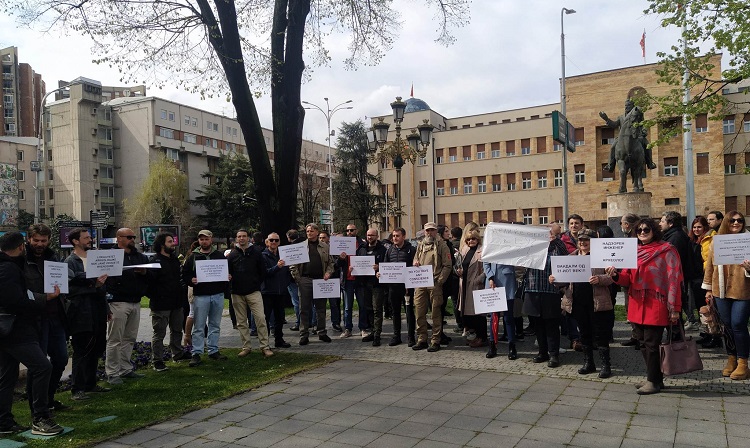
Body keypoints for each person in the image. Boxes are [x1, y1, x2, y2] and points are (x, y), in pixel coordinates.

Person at [606, 218, 683, 394]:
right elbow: (627, 279)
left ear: (654, 231)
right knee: (642, 343)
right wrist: (615, 274)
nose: (642, 232)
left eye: (646, 229)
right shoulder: (632, 252)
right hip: (636, 303)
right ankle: (654, 378)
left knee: (652, 344)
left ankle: (653, 382)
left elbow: (674, 280)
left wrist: (675, 308)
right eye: (639, 230)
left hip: (657, 303)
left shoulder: (667, 250)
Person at [0, 231, 64, 435]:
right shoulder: (9, 268)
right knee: (42, 367)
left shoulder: (7, 266)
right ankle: (40, 418)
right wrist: (41, 300)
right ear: (21, 246)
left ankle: (4, 422)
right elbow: (14, 301)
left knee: (7, 376)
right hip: (16, 330)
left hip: (6, 329)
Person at [551, 229, 615, 378]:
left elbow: (612, 277)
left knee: (600, 335)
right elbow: (563, 281)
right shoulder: (570, 257)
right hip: (578, 302)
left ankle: (605, 365)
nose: (583, 242)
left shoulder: (602, 256)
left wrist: (600, 279)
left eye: (586, 240)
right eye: (580, 240)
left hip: (597, 302)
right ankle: (589, 363)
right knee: (584, 333)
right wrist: (554, 280)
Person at [23, 224, 69, 411]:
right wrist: (44, 297)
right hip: (35, 318)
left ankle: (48, 399)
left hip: (55, 316)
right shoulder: (22, 260)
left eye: (43, 240)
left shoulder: (53, 257)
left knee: (61, 359)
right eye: (36, 240)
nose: (40, 244)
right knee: (38, 364)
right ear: (29, 239)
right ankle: (36, 406)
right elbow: (20, 292)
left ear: (49, 240)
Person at [702, 211, 750, 380]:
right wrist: (708, 288)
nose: (736, 223)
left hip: (742, 290)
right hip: (720, 290)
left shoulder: (748, 241)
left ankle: (743, 362)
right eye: (732, 220)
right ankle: (731, 359)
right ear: (726, 222)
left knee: (738, 324)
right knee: (727, 326)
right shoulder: (717, 242)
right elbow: (709, 266)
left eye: (740, 220)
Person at [65, 229, 110, 401]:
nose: (90, 240)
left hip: (97, 309)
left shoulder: (95, 259)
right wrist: (92, 286)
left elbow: (101, 287)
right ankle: (77, 388)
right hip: (81, 311)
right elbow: (69, 288)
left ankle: (91, 383)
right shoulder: (70, 262)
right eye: (86, 238)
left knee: (97, 346)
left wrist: (106, 308)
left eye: (90, 237)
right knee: (82, 348)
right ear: (76, 241)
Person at [105, 228, 152, 384]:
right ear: (119, 238)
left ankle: (125, 368)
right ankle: (112, 372)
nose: (132, 239)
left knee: (130, 338)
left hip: (135, 301)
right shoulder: (110, 256)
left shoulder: (140, 256)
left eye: (133, 237)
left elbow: (151, 276)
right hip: (118, 301)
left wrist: (144, 273)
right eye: (129, 237)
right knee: (115, 339)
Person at [182, 229, 231, 366]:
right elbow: (184, 274)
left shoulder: (219, 255)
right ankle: (196, 353)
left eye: (206, 239)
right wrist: (191, 280)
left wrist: (227, 277)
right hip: (201, 295)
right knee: (199, 326)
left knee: (215, 324)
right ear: (199, 240)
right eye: (201, 239)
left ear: (211, 239)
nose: (204, 241)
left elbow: (226, 271)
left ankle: (213, 350)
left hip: (217, 294)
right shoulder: (193, 257)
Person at [522, 227, 568, 368]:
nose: (547, 236)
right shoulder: (531, 247)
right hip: (533, 289)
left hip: (550, 291)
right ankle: (542, 352)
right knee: (538, 324)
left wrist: (555, 240)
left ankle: (554, 354)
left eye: (550, 234)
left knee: (551, 324)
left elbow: (566, 260)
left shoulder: (557, 247)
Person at [227, 229, 273, 358]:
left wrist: (256, 283)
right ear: (236, 239)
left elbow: (262, 271)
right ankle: (246, 347)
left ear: (248, 238)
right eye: (239, 236)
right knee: (241, 322)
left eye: (244, 236)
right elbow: (227, 272)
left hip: (253, 291)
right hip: (237, 292)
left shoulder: (256, 253)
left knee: (261, 319)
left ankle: (265, 346)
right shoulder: (232, 255)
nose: (242, 238)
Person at [148, 232, 189, 372]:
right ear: (162, 244)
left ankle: (177, 353)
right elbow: (150, 282)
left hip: (176, 302)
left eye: (173, 241)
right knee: (159, 333)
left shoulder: (174, 259)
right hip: (161, 303)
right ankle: (157, 360)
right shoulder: (155, 261)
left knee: (177, 330)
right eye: (170, 242)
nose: (173, 244)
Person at [289, 223, 335, 345]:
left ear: (317, 232)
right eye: (307, 231)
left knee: (321, 308)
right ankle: (304, 334)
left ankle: (322, 332)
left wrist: (328, 273)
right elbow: (293, 264)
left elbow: (331, 263)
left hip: (321, 280)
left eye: (311, 231)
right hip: (305, 279)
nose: (309, 233)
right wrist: (298, 278)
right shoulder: (300, 246)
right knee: (304, 308)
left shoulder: (325, 246)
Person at [412, 222, 453, 352]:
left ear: (436, 231)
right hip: (420, 282)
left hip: (435, 282)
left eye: (432, 230)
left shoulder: (442, 245)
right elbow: (415, 260)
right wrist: (415, 263)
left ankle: (435, 340)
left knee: (435, 313)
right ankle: (422, 339)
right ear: (424, 232)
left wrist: (440, 281)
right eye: (427, 231)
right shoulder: (420, 245)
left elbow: (448, 265)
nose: (429, 233)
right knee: (419, 312)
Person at [381, 227, 416, 346]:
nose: (395, 238)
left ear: (403, 237)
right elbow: (385, 265)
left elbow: (415, 267)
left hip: (407, 288)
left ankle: (411, 337)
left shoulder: (411, 250)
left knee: (409, 312)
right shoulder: (389, 250)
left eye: (397, 236)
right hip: (393, 287)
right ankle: (396, 336)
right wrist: (381, 273)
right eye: (393, 236)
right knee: (395, 312)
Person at [353, 229, 387, 346]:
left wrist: (379, 267)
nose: (370, 237)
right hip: (364, 283)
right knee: (368, 308)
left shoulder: (382, 249)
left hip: (377, 284)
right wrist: (353, 268)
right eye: (368, 235)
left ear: (377, 236)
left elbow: (387, 264)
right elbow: (356, 262)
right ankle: (372, 330)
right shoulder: (361, 249)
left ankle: (377, 334)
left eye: (372, 235)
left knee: (377, 309)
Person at [261, 233, 292, 349]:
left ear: (279, 242)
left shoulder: (283, 255)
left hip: (281, 291)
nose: (273, 242)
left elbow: (288, 271)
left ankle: (279, 340)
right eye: (271, 240)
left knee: (280, 317)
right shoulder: (262, 256)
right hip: (268, 292)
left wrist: (286, 282)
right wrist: (277, 267)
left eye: (276, 240)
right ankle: (265, 342)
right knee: (266, 317)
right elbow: (264, 273)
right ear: (267, 242)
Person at [456, 230, 486, 348]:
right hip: (464, 285)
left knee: (478, 314)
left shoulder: (482, 250)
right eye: (468, 239)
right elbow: (459, 265)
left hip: (476, 286)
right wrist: (458, 271)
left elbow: (486, 269)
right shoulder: (465, 250)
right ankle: (473, 336)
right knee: (468, 313)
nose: (470, 241)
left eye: (473, 238)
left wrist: (478, 279)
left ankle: (482, 337)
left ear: (478, 239)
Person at [337, 224, 366, 338]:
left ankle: (363, 328)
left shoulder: (362, 244)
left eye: (352, 230)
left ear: (356, 231)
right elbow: (337, 264)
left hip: (359, 280)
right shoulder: (342, 245)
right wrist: (341, 258)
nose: (349, 232)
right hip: (347, 280)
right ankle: (348, 329)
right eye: (348, 230)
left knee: (362, 305)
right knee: (347, 307)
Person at [286, 229, 303, 331]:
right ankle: (311, 321)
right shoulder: (305, 246)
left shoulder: (289, 249)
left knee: (296, 302)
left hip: (293, 279)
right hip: (305, 277)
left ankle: (299, 322)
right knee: (308, 301)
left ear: (288, 238)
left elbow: (291, 266)